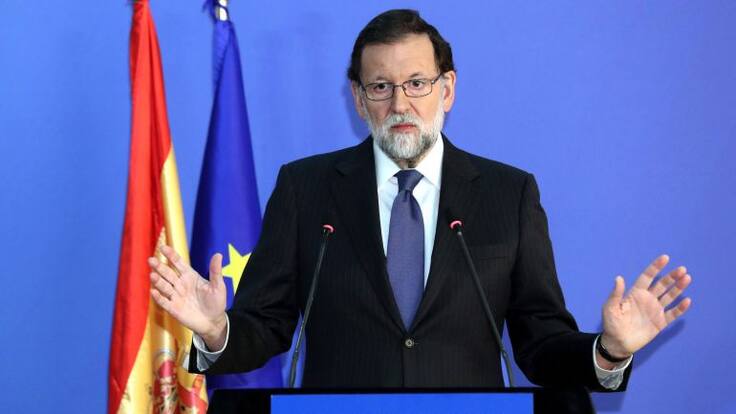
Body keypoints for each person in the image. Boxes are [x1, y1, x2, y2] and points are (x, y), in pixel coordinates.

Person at [148, 9, 691, 393]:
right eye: (380, 87)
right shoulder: (305, 188)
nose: (400, 103)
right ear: (359, 99)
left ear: (447, 89)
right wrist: (216, 330)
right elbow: (266, 326)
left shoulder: (508, 194)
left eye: (416, 83)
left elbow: (540, 343)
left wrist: (609, 350)